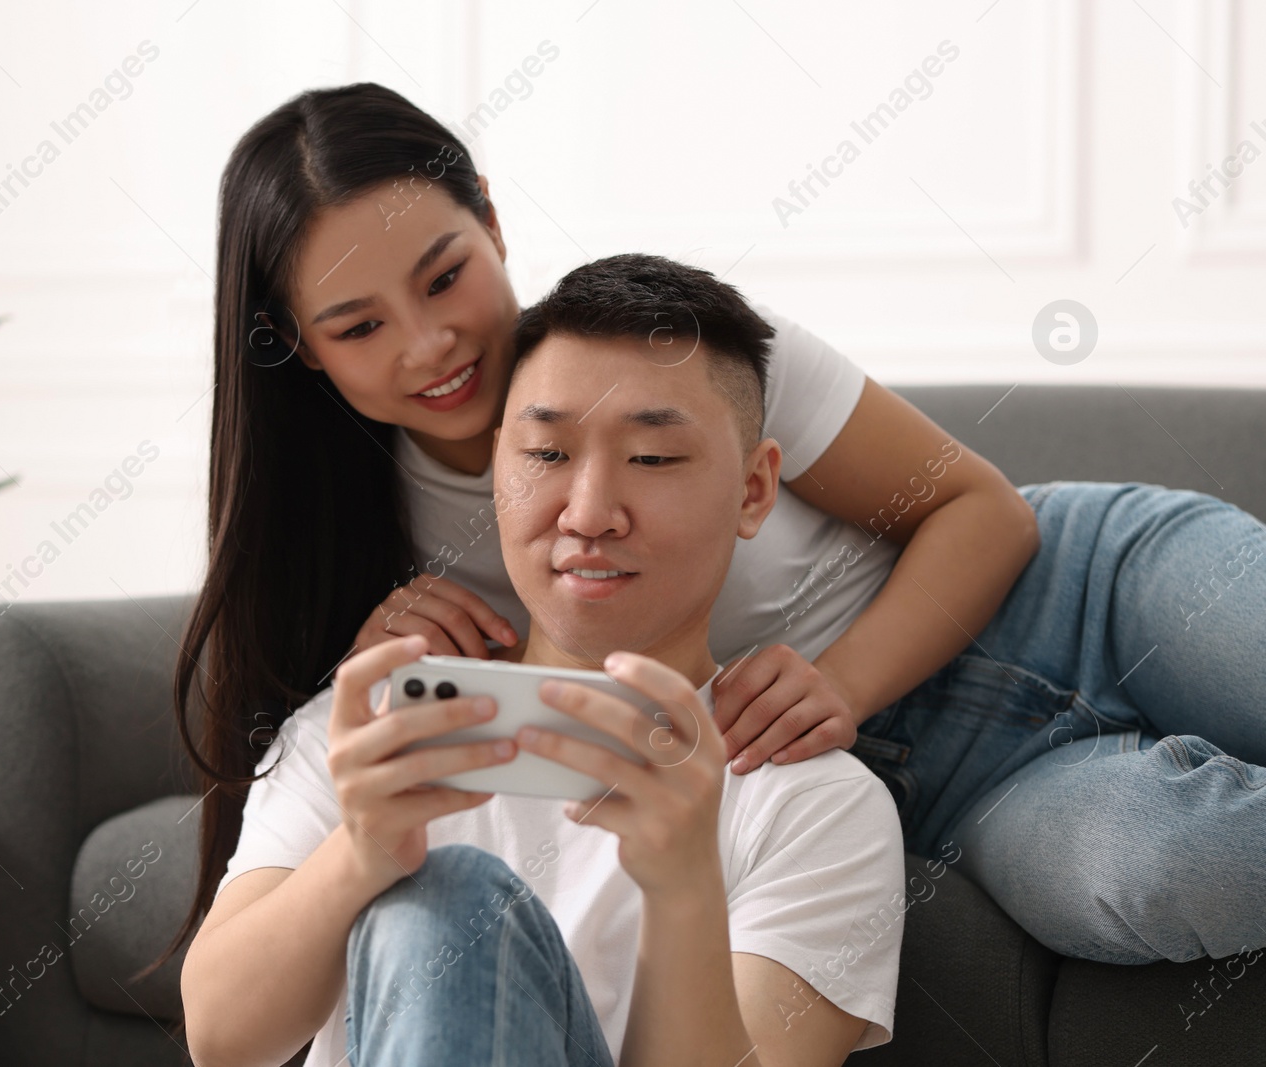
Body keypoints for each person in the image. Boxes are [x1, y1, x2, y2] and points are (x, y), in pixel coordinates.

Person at [158, 80, 1265, 982]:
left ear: (491, 219)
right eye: (358, 326)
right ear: (302, 348)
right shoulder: (359, 537)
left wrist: (840, 679)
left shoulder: (683, 347)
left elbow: (983, 509)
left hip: (1079, 588)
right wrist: (381, 672)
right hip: (943, 787)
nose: (430, 343)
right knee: (1173, 868)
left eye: (444, 274)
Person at [181, 254, 907, 1067]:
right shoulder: (366, 733)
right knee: (447, 899)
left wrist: (683, 890)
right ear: (497, 468)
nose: (589, 513)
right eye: (546, 456)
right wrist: (362, 854)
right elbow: (221, 1041)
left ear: (753, 490)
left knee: (458, 902)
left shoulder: (816, 804)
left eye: (653, 458)